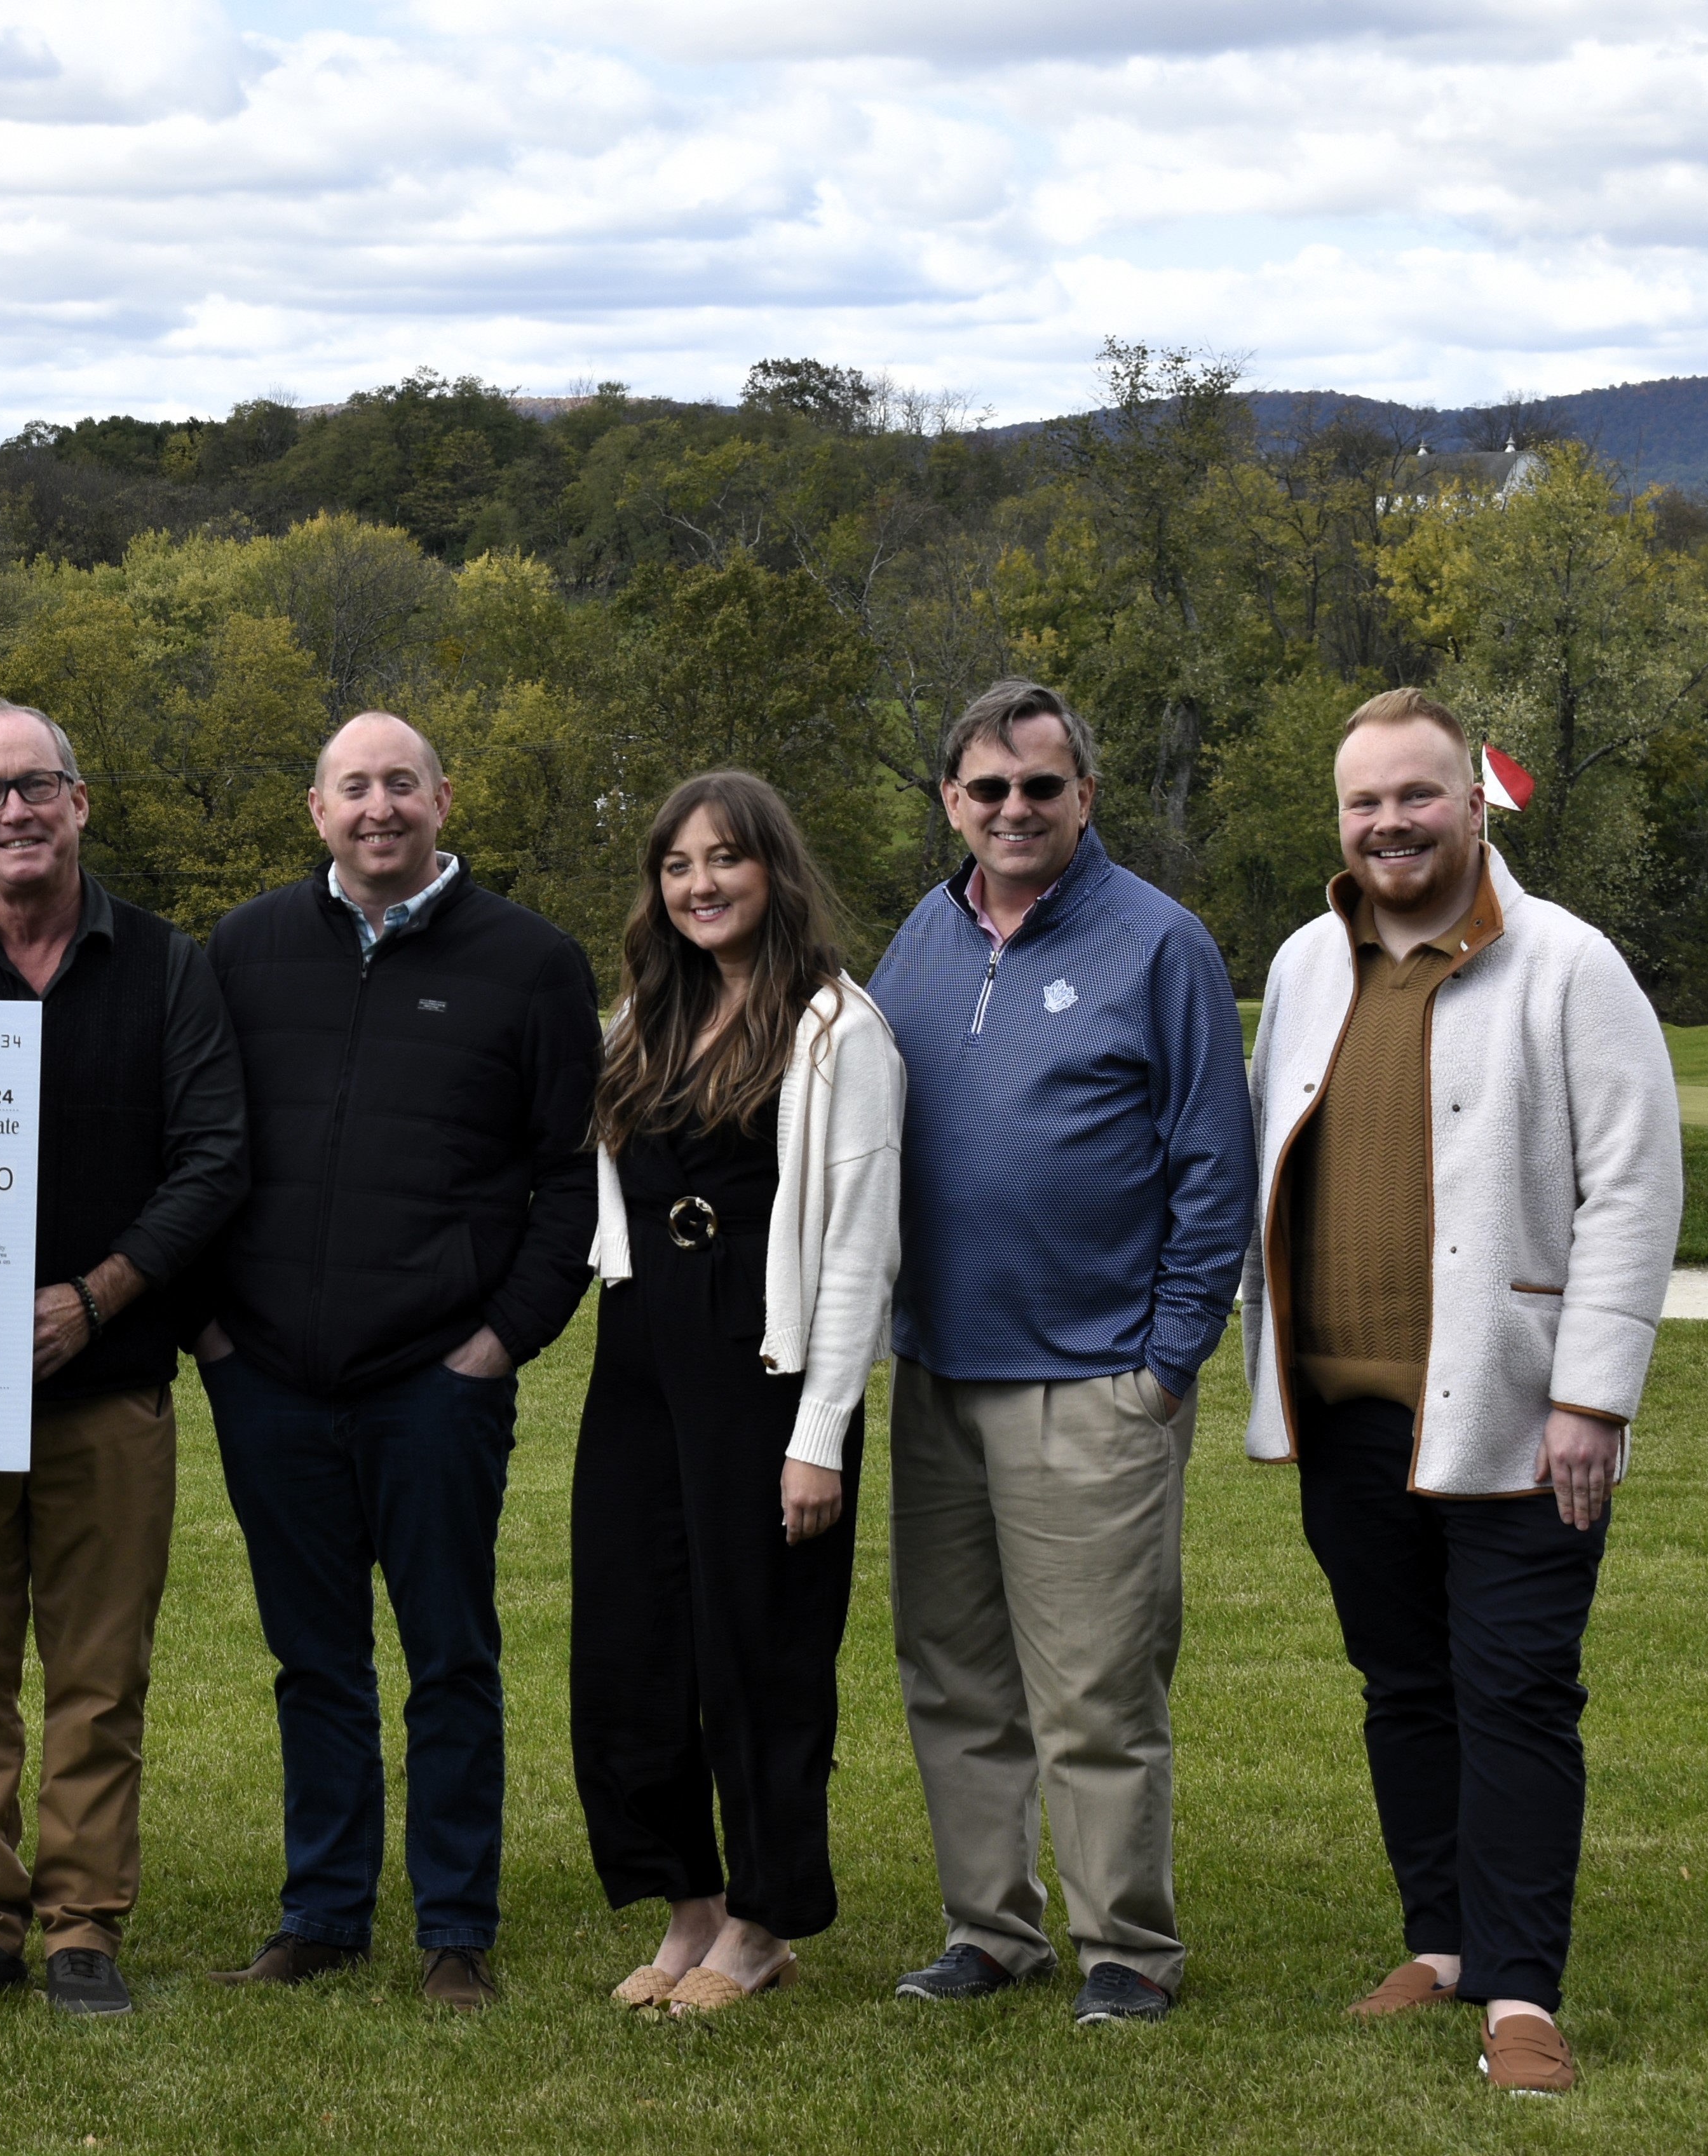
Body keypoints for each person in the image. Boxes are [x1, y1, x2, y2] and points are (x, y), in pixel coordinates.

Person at [1240, 690, 1679, 2096]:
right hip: (1346, 1408)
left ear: (1469, 801)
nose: (1387, 823)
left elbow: (1633, 1185)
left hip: (1516, 1411)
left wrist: (1592, 1395)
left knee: (1515, 1690)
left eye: (1414, 795)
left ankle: (1518, 1988)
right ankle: (1438, 1938)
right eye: (1362, 801)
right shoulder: (1308, 960)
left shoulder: (1567, 963)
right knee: (1405, 1684)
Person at [863, 679, 1254, 2027]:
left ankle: (1124, 1948)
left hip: (1095, 1377)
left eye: (1040, 784)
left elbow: (1214, 1168)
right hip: (938, 1374)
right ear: (950, 802)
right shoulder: (919, 935)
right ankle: (990, 1927)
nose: (1013, 808)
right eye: (987, 788)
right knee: (954, 1672)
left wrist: (1165, 1361)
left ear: (1085, 793)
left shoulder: (1160, 942)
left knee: (1093, 1683)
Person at [192, 712, 597, 2011]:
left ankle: (456, 1922)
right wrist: (211, 1332)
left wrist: (497, 1342)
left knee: (448, 1653)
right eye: (353, 787)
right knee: (313, 1655)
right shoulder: (245, 949)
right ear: (314, 809)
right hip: (268, 1374)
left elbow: (566, 1182)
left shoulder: (532, 963)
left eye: (401, 785)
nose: (379, 807)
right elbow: (196, 1143)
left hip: (436, 1378)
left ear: (442, 799)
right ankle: (322, 1909)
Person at [0, 697, 249, 2018]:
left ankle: (83, 1925)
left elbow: (213, 1161)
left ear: (81, 803)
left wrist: (92, 1297)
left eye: (39, 785)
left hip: (113, 1384)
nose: (15, 810)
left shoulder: (164, 965)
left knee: (98, 1672)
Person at [567, 772, 904, 2016]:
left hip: (766, 1375)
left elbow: (862, 1247)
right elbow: (612, 1201)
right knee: (630, 1642)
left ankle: (760, 1922)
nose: (699, 883)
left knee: (757, 1653)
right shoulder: (640, 1018)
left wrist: (819, 1436)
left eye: (725, 859)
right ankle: (688, 1906)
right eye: (676, 864)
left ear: (775, 870)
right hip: (639, 1360)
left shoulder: (837, 1032)